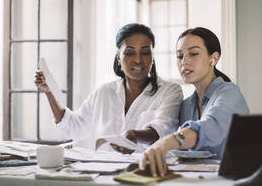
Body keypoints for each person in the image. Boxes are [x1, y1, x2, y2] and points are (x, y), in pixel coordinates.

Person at [34, 23, 183, 152]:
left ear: (152, 56)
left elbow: (164, 129)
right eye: (130, 53)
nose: (138, 60)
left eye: (145, 52)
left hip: (145, 172)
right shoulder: (103, 92)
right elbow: (72, 128)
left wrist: (134, 135)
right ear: (119, 57)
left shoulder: (169, 91)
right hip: (102, 175)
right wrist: (49, 93)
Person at [140, 27, 249, 176]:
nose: (184, 61)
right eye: (180, 56)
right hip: (200, 180)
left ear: (214, 58)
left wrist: (166, 143)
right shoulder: (186, 106)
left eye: (194, 54)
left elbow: (208, 128)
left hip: (234, 181)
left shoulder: (229, 93)